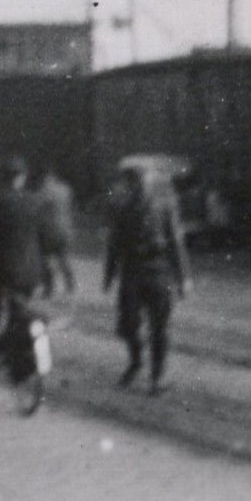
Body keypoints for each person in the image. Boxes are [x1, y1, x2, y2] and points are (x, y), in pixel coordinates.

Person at [0, 157, 55, 394]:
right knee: (19, 311)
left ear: (3, 177)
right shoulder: (36, 201)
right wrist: (46, 270)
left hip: (3, 270)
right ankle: (13, 353)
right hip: (32, 272)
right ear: (22, 178)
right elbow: (47, 239)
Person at [103, 163, 191, 394]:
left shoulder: (165, 206)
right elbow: (114, 243)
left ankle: (158, 376)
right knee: (128, 324)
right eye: (134, 182)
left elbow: (176, 242)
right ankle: (136, 361)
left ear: (150, 182)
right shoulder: (122, 208)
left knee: (159, 326)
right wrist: (109, 275)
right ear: (130, 185)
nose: (140, 186)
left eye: (143, 181)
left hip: (158, 270)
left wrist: (184, 278)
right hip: (132, 271)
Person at [27, 164, 78, 296]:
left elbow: (34, 207)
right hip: (65, 228)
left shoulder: (43, 191)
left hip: (48, 230)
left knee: (45, 258)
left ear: (45, 177)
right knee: (64, 257)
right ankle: (70, 284)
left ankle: (49, 287)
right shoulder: (65, 189)